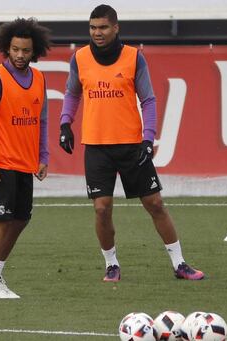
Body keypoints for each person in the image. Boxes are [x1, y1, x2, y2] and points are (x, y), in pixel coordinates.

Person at [59, 5, 204, 282]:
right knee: (102, 208)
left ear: (116, 28)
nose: (97, 33)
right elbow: (71, 93)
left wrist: (148, 139)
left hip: (131, 146)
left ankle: (179, 263)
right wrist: (65, 123)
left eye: (102, 27)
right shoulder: (79, 58)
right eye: (92, 28)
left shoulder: (134, 58)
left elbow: (148, 99)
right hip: (97, 147)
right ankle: (111, 264)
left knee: (155, 204)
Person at [0, 18, 50, 298]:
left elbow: (41, 120)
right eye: (15, 49)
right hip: (0, 163)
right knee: (2, 221)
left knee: (20, 219)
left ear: (34, 51)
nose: (19, 55)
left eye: (25, 50)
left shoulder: (39, 78)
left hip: (24, 164)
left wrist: (42, 156)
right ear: (7, 48)